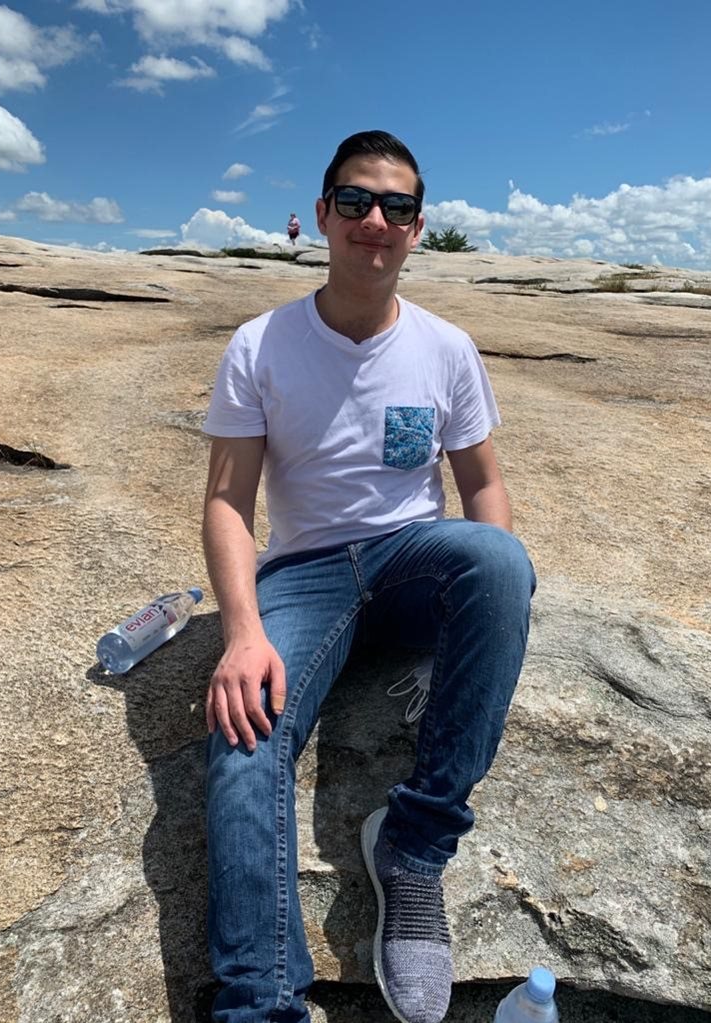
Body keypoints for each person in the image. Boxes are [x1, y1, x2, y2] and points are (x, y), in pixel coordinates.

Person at [201, 130, 536, 1023]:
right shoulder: (261, 343)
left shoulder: (445, 347)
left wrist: (464, 626)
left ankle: (414, 848)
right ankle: (259, 1003)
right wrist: (241, 631)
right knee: (244, 743)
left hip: (409, 561)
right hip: (304, 574)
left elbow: (484, 485)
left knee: (499, 558)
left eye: (394, 207)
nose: (373, 221)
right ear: (321, 215)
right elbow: (228, 502)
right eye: (354, 201)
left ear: (418, 229)